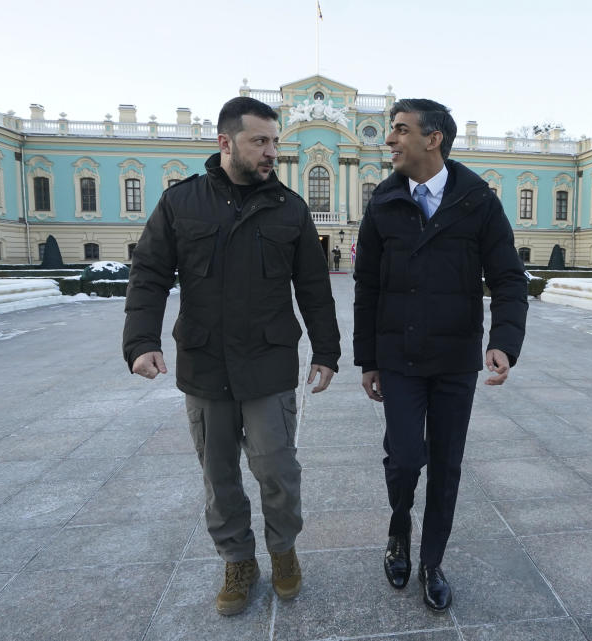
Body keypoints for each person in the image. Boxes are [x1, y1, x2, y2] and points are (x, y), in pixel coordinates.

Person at [122, 96, 340, 616]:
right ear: (225, 143)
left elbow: (313, 287)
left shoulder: (289, 207)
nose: (271, 152)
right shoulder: (181, 204)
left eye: (274, 141)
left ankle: (283, 551)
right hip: (204, 365)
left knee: (278, 471)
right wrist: (141, 341)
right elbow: (149, 273)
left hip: (267, 363)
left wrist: (327, 350)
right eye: (259, 141)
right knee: (219, 478)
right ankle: (238, 561)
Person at [353, 99, 528, 611]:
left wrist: (503, 342)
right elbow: (366, 286)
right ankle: (399, 530)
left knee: (447, 464)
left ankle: (432, 560)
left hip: (454, 361)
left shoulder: (478, 200)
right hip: (400, 357)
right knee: (405, 458)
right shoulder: (383, 201)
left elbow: (507, 278)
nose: (390, 140)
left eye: (400, 130)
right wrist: (369, 360)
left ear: (434, 139)